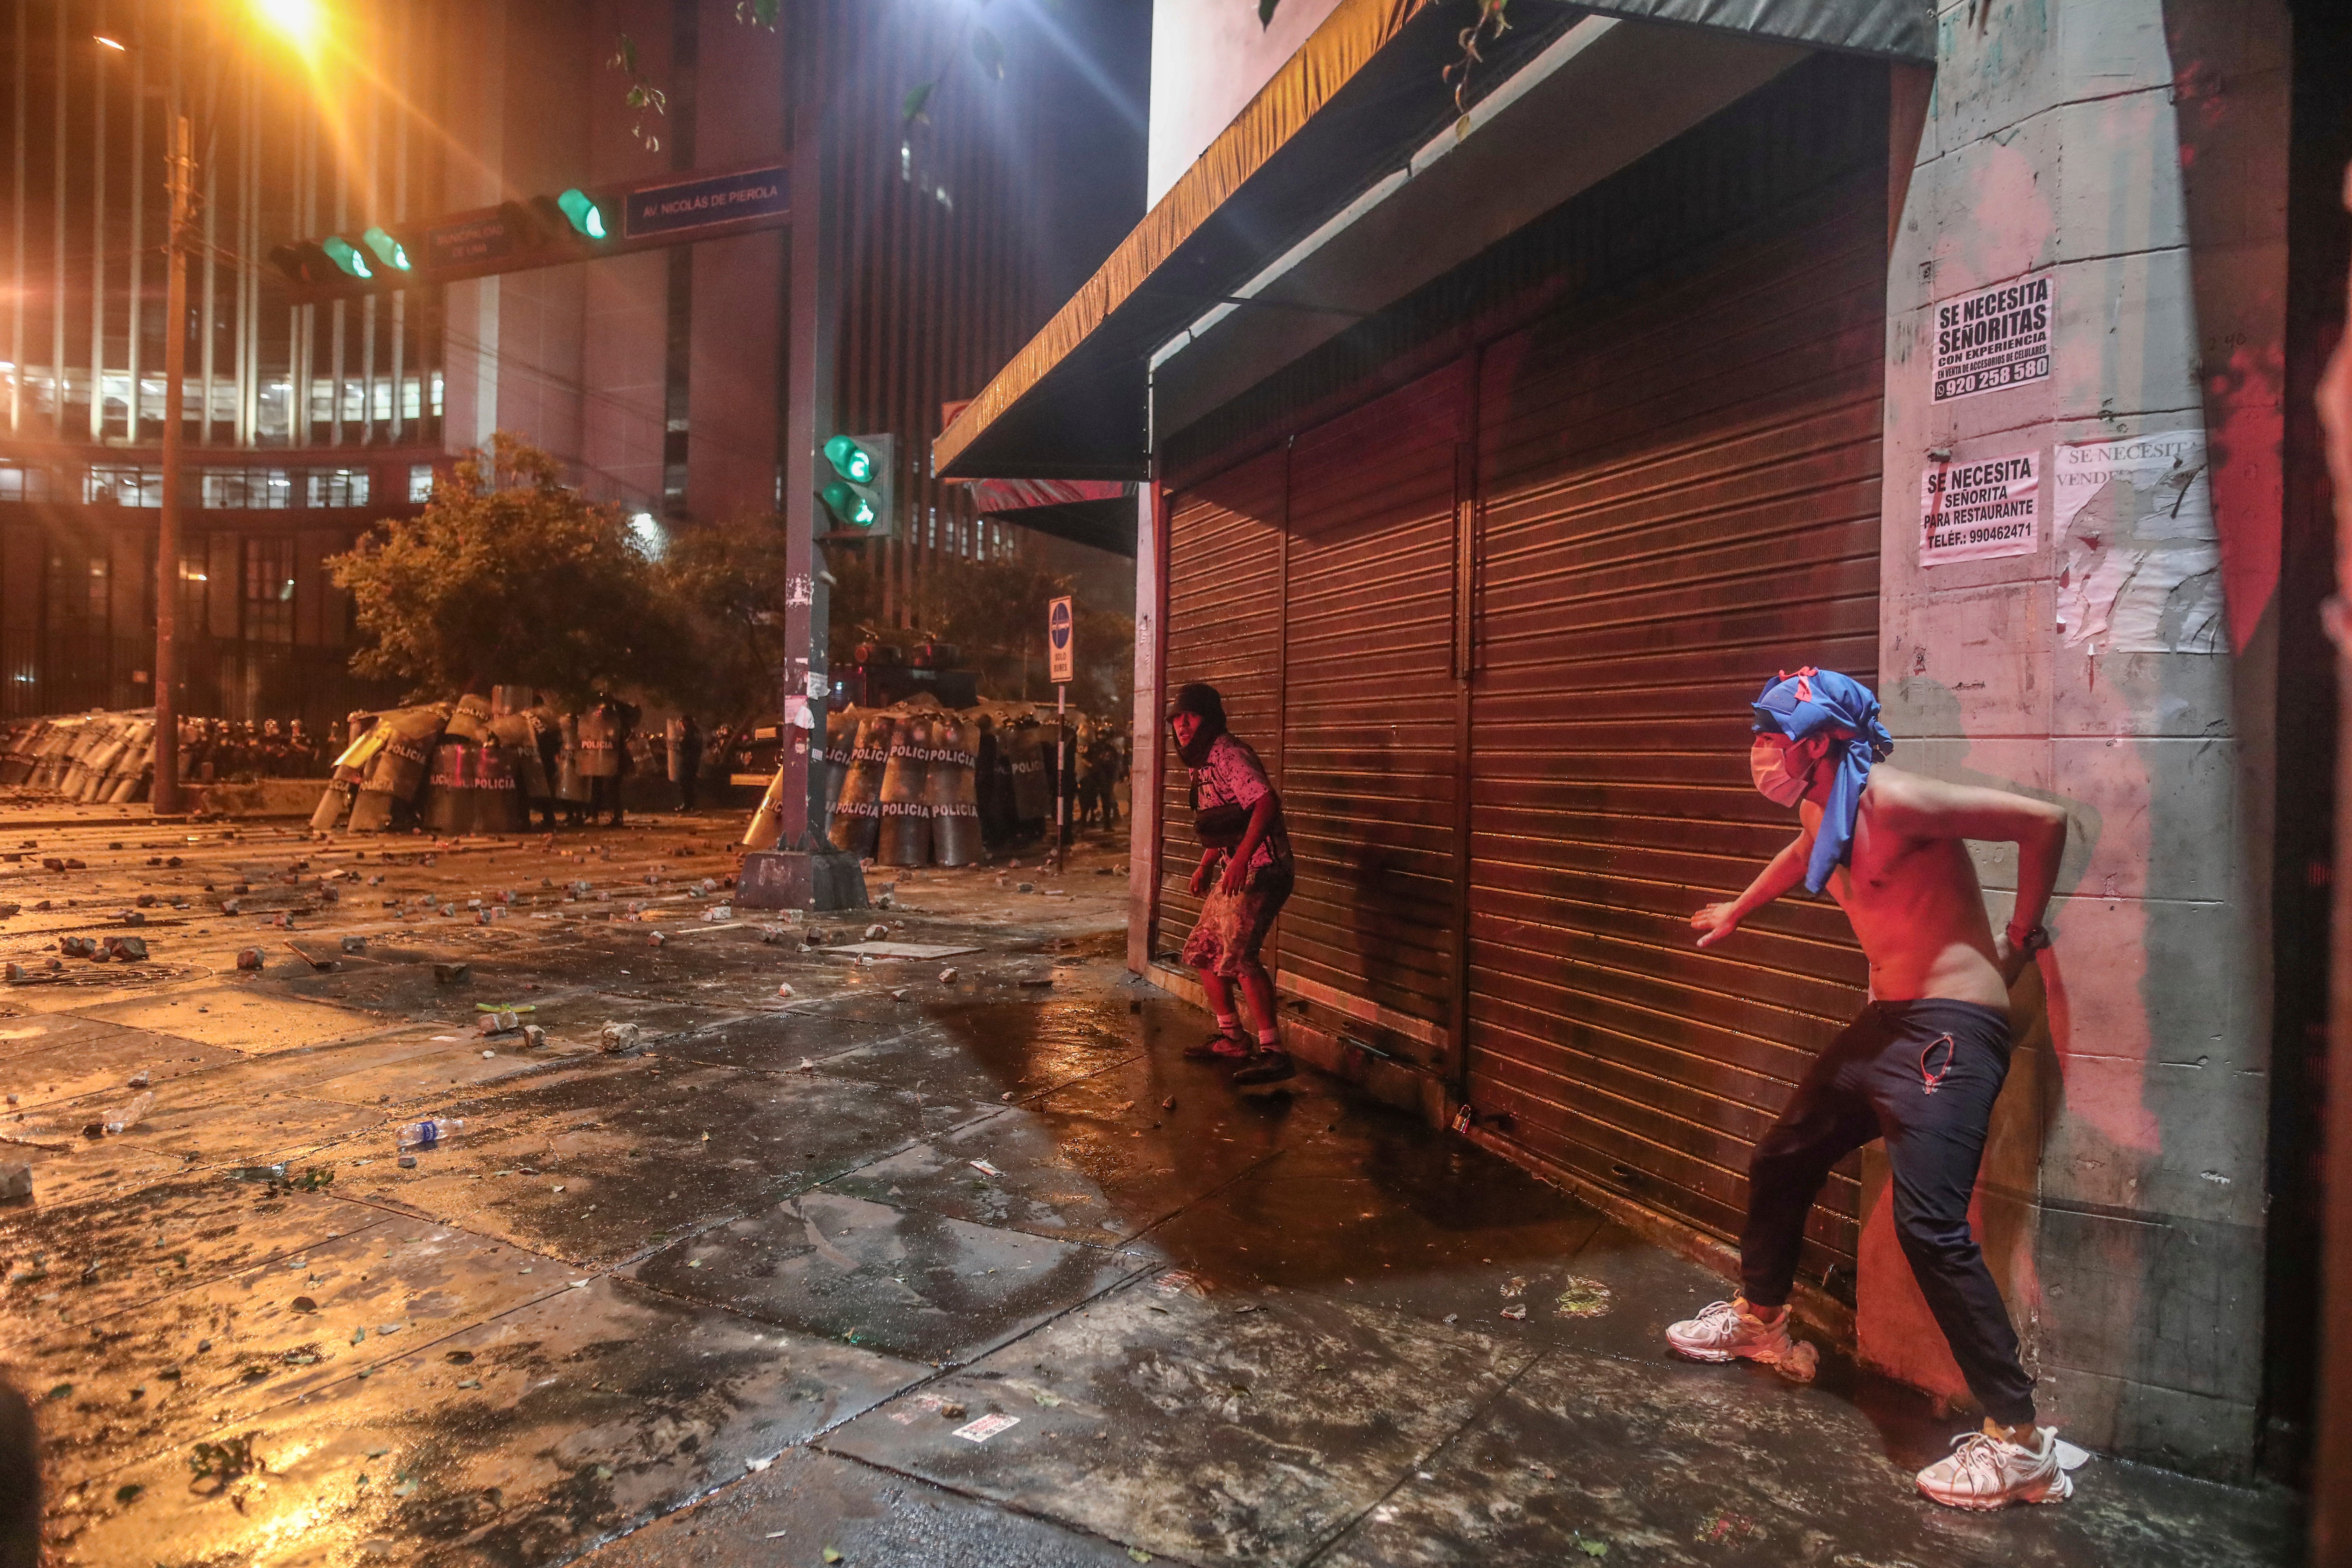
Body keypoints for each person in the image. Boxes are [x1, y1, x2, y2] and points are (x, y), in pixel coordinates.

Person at [1667, 667, 2071, 1510]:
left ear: (1824, 742)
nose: (1761, 752)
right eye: (1763, 734)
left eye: (1777, 736)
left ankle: (2023, 1445)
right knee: (1784, 1156)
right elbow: (1804, 851)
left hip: (1950, 1027)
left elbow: (2044, 821)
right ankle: (1762, 1321)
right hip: (1889, 1022)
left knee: (1932, 1227)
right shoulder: (1825, 802)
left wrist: (2024, 930)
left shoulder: (1894, 799)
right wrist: (1741, 909)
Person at [1169, 682, 1295, 1089]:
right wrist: (1208, 864)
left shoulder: (1229, 754)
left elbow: (1264, 803)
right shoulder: (1200, 763)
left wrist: (1239, 860)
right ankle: (1233, 1039)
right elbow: (1226, 821)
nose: (1181, 724)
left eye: (1190, 715)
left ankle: (1275, 1053)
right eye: (1176, 717)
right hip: (1234, 868)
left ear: (1209, 718)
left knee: (1238, 956)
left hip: (1264, 868)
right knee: (1204, 952)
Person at [668, 713, 704, 813]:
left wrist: (674, 746)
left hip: (688, 762)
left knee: (685, 783)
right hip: (694, 761)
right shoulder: (697, 733)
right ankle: (690, 804)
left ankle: (688, 804)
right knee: (690, 783)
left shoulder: (689, 734)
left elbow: (684, 747)